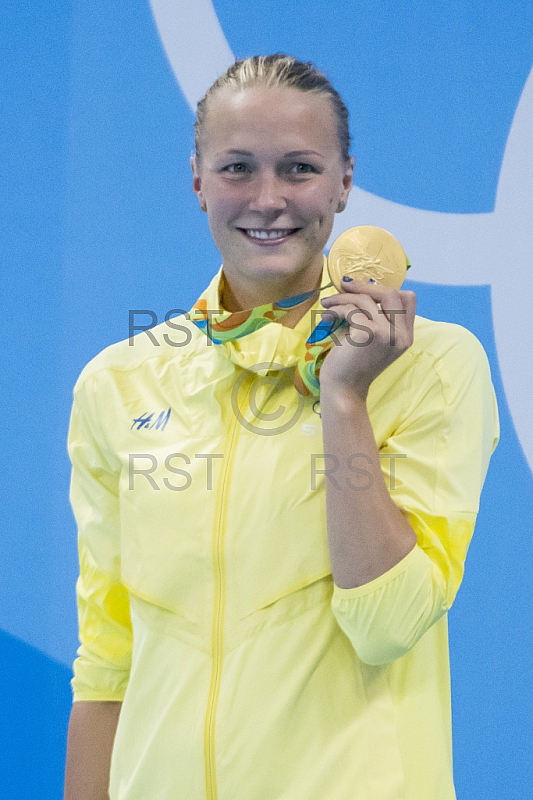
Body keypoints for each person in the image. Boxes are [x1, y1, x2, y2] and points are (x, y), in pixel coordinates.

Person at [64, 54, 499, 800]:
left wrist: (345, 399)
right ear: (197, 180)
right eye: (238, 168)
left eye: (300, 168)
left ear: (344, 183)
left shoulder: (432, 364)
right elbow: (109, 660)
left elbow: (388, 623)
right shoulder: (119, 382)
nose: (268, 200)